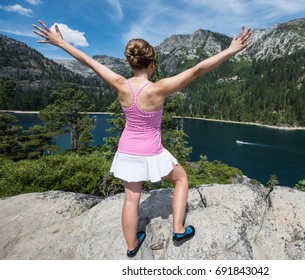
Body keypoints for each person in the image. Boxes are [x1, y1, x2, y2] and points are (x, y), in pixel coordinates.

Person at [33, 20, 252, 258]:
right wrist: (230, 50)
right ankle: (178, 229)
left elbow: (88, 61)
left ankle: (131, 245)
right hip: (151, 150)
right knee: (181, 179)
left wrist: (61, 43)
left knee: (131, 198)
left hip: (127, 150)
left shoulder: (120, 84)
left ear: (131, 62)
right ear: (150, 63)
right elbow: (198, 69)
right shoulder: (159, 88)